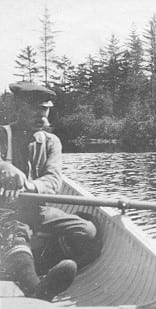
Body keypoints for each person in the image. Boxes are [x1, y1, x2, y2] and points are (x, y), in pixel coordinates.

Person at [0, 82, 101, 301]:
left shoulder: (51, 142)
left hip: (40, 211)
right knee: (16, 234)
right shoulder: (2, 135)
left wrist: (28, 185)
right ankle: (38, 290)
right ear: (19, 108)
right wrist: (4, 168)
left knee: (88, 232)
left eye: (45, 109)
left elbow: (54, 180)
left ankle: (38, 273)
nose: (41, 115)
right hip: (7, 213)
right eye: (35, 108)